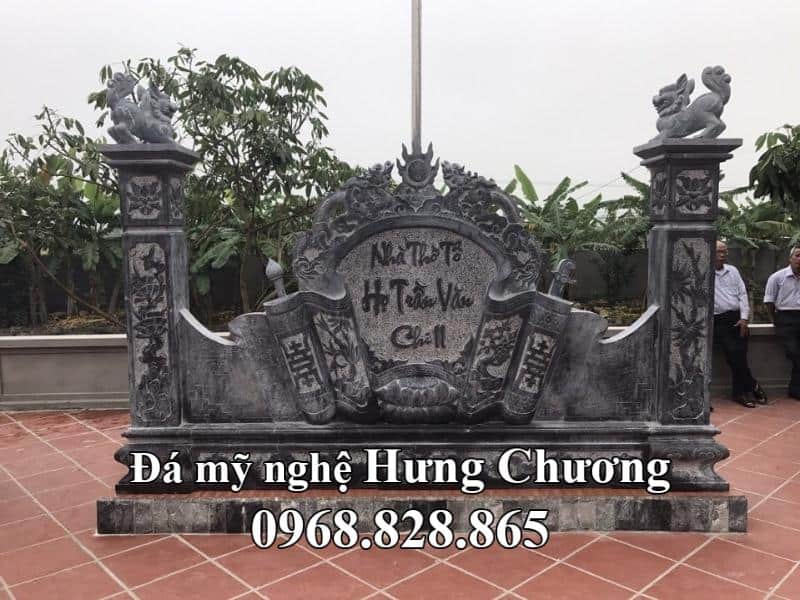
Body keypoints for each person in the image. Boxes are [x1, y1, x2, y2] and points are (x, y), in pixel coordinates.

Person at [714, 241, 767, 407]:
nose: (723, 255)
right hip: (718, 320)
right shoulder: (704, 273)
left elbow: (743, 294)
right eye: (719, 251)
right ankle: (752, 385)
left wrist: (744, 318)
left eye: (725, 251)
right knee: (733, 355)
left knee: (740, 356)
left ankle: (740, 393)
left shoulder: (733, 271)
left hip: (737, 318)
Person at [764, 246, 800, 399]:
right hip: (785, 318)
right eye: (798, 255)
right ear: (790, 258)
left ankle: (795, 389)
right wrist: (775, 320)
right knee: (794, 352)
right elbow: (769, 302)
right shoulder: (777, 277)